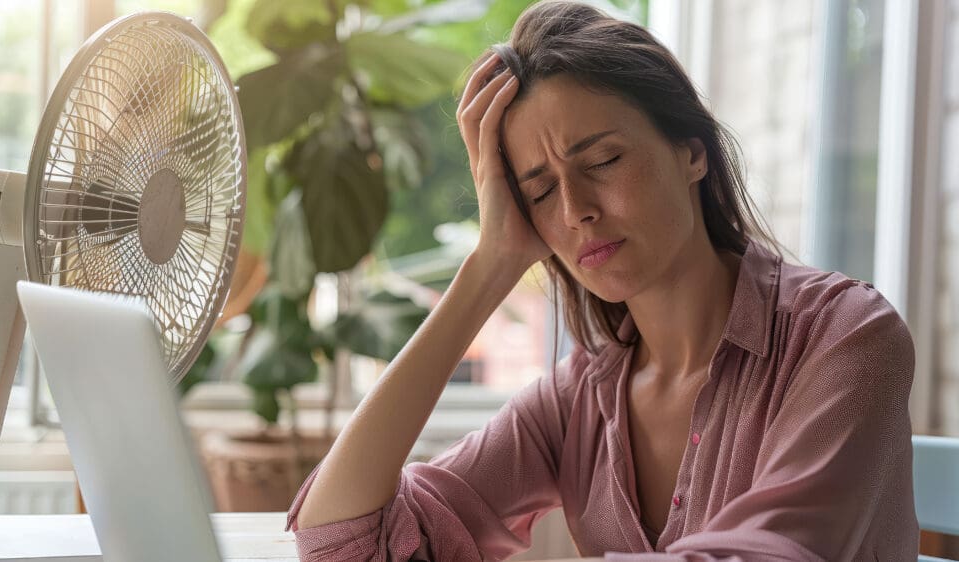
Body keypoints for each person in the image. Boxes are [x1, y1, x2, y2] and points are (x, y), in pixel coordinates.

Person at [285, 1, 918, 560]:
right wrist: (491, 266)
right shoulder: (578, 399)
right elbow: (340, 541)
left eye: (604, 161)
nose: (575, 210)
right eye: (540, 191)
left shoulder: (845, 336)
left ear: (692, 151)